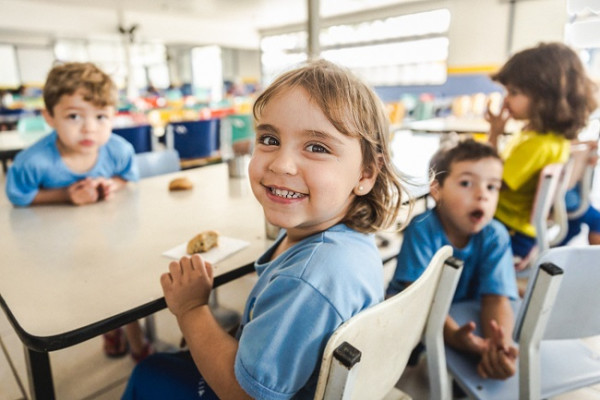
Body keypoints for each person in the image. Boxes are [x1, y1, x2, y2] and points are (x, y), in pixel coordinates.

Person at [122, 59, 407, 399]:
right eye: (269, 138)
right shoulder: (343, 237)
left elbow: (245, 395)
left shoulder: (308, 278)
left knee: (149, 372)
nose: (281, 164)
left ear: (365, 174)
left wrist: (191, 310)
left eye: (317, 147)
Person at [4, 62, 150, 362]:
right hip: (59, 245)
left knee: (121, 288)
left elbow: (128, 177)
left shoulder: (118, 149)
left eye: (101, 116)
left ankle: (137, 345)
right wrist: (64, 196)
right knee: (91, 292)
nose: (89, 128)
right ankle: (114, 332)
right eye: (74, 116)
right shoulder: (33, 161)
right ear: (49, 117)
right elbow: (18, 196)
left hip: (110, 236)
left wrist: (110, 186)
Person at [387, 139, 519, 380]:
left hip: (458, 311)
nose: (482, 196)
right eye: (466, 183)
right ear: (437, 191)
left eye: (492, 187)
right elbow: (420, 301)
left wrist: (499, 346)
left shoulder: (495, 235)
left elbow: (496, 299)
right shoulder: (423, 228)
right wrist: (455, 337)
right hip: (411, 312)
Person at [486, 42, 598, 262]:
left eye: (514, 92)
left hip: (506, 231)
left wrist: (494, 134)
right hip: (522, 232)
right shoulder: (549, 140)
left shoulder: (536, 145)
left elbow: (490, 182)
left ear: (545, 98)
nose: (506, 99)